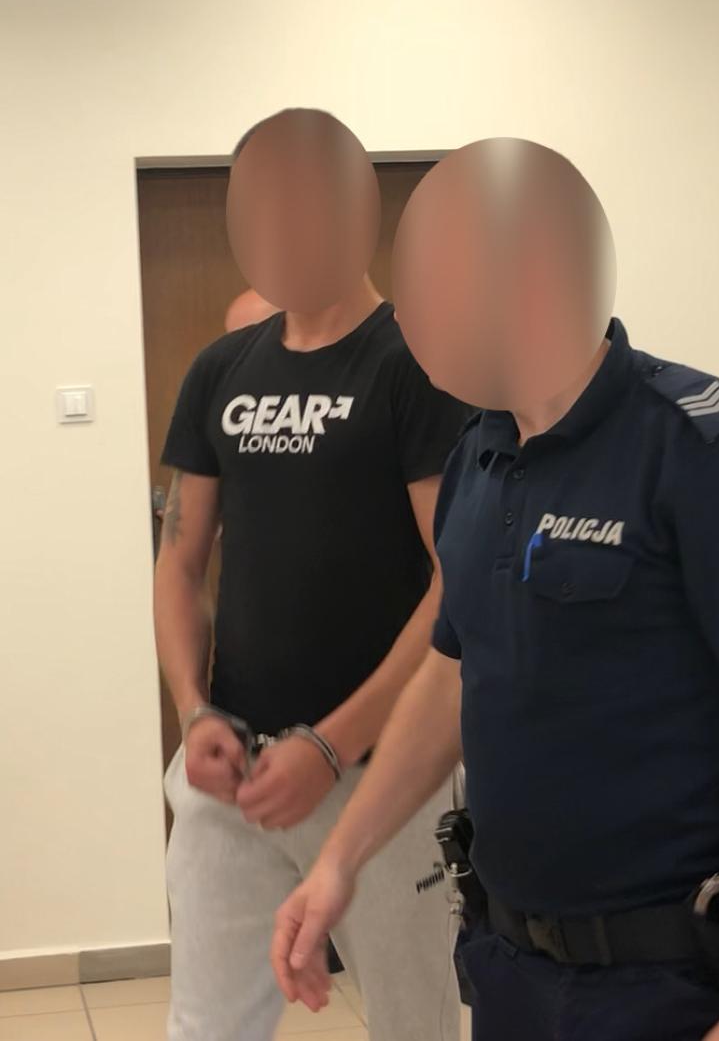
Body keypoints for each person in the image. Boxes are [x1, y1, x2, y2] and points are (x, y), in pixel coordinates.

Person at [270, 138, 719, 1041]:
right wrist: (342, 860)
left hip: (680, 979)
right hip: (515, 972)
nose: (408, 313)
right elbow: (451, 676)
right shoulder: (477, 460)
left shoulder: (707, 449)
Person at [154, 108, 467, 1041]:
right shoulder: (220, 370)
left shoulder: (418, 365)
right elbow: (180, 559)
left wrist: (332, 744)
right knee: (206, 1027)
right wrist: (194, 713)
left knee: (414, 1026)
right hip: (232, 780)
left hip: (386, 780)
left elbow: (458, 584)